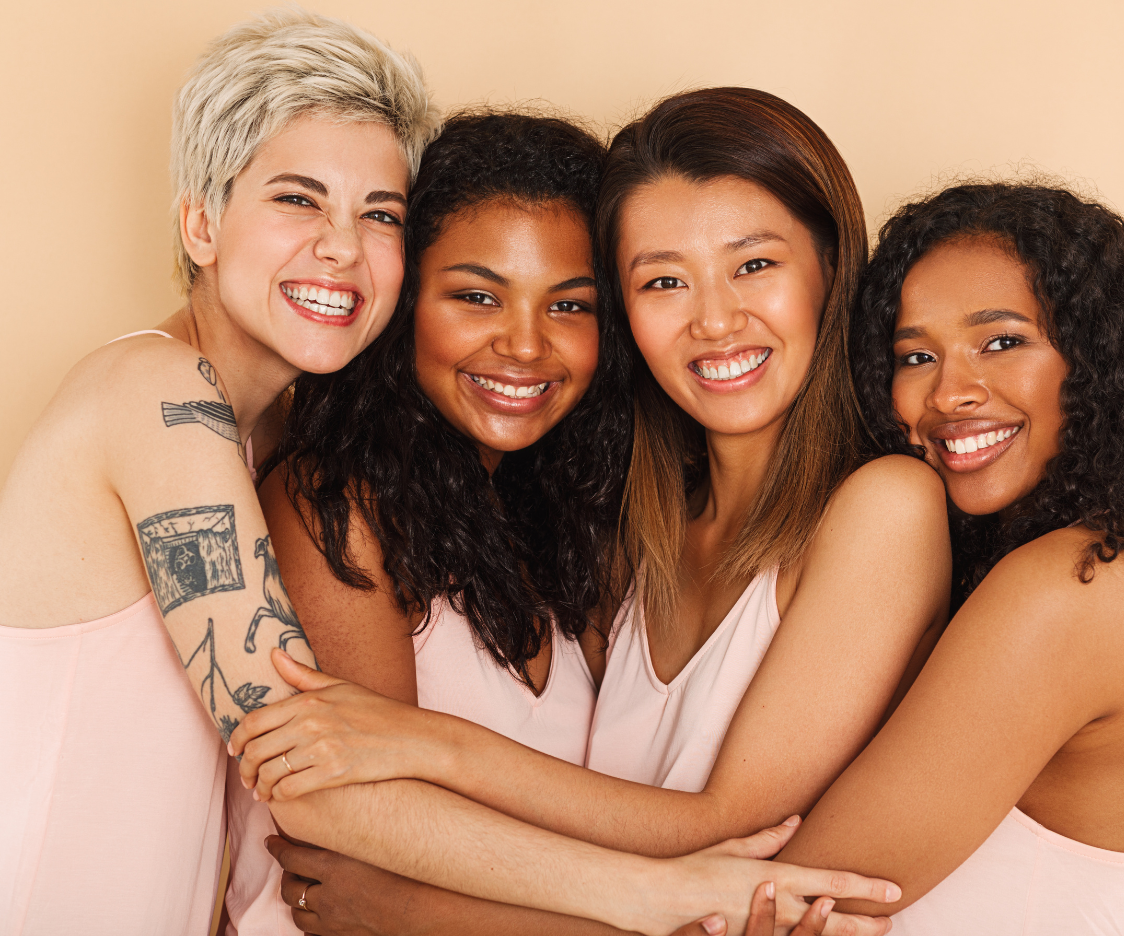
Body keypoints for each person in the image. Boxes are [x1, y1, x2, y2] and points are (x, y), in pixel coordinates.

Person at [231, 88, 946, 935]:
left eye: (754, 265)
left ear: (832, 268)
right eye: (665, 280)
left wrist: (419, 864)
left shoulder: (880, 507)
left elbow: (726, 833)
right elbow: (349, 821)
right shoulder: (629, 537)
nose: (715, 320)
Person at [0, 10, 437, 933]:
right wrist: (658, 890)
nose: (343, 247)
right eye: (298, 199)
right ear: (201, 223)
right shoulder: (155, 393)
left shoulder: (272, 436)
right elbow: (309, 781)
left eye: (381, 214)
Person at [761, 182, 1124, 932]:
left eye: (1002, 341)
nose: (949, 392)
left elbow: (779, 911)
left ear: (1098, 361)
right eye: (916, 355)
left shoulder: (1076, 587)